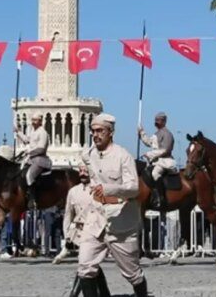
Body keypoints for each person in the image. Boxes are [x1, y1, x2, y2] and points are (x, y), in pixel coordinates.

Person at [77, 113, 147, 297]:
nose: (95, 134)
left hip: (121, 219)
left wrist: (108, 189)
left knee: (133, 274)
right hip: (97, 218)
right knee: (85, 266)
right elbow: (86, 161)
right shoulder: (89, 155)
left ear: (111, 132)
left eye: (100, 131)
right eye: (93, 131)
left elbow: (133, 188)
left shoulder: (123, 156)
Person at [138, 112, 177, 209]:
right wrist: (142, 133)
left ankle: (161, 198)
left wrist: (149, 154)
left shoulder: (167, 134)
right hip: (155, 161)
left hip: (164, 161)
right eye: (155, 120)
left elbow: (165, 150)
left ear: (164, 121)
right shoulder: (156, 134)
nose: (156, 122)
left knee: (155, 173)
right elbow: (149, 143)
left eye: (158, 120)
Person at [15, 113, 51, 202]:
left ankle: (33, 198)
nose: (33, 122)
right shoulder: (33, 131)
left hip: (40, 160)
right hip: (31, 159)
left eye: (35, 120)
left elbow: (41, 149)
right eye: (32, 120)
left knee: (29, 175)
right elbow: (27, 140)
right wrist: (18, 131)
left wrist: (29, 152)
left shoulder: (43, 133)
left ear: (40, 121)